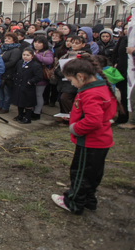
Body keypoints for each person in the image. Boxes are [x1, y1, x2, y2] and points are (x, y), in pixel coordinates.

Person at [51, 54, 119, 215]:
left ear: (81, 77)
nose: (72, 84)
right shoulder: (100, 87)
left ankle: (74, 202)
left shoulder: (91, 93)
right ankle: (89, 199)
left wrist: (75, 128)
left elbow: (93, 120)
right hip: (100, 140)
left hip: (90, 141)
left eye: (72, 80)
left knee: (80, 173)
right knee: (93, 173)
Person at [10, 48, 43, 124]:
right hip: (19, 85)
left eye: (28, 55)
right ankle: (20, 115)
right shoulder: (20, 62)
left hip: (28, 87)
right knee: (19, 101)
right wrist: (14, 78)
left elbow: (39, 77)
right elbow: (14, 71)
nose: (25, 56)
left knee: (28, 103)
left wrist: (30, 81)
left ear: (32, 56)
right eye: (24, 55)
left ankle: (28, 118)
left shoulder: (35, 65)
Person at [32, 35, 53, 120]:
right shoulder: (33, 51)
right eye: (35, 42)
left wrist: (36, 55)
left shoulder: (47, 52)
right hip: (32, 77)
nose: (36, 44)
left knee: (38, 95)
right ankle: (32, 110)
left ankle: (37, 112)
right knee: (32, 95)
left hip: (41, 78)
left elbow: (49, 61)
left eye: (39, 43)